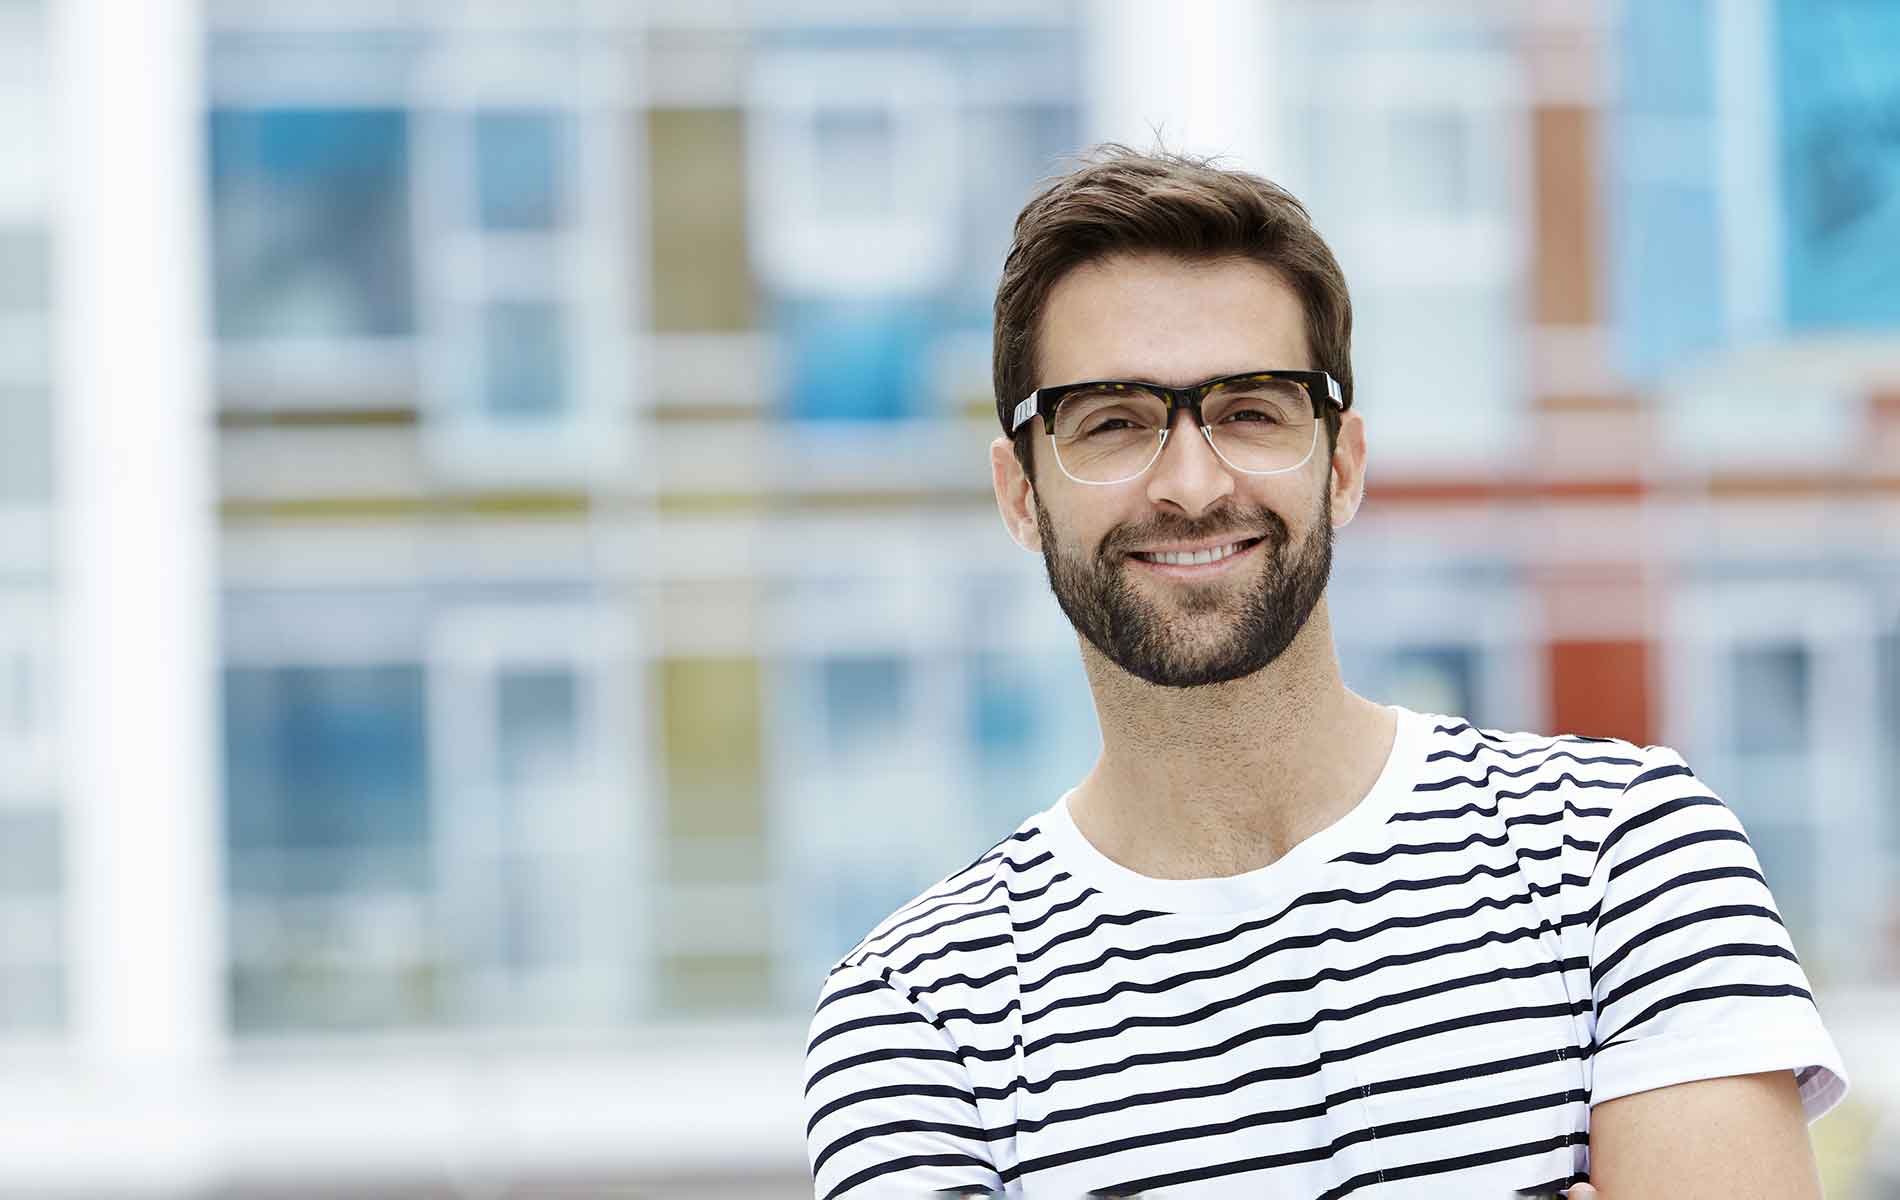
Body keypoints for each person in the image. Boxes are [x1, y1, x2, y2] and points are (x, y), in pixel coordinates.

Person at [802, 146, 1849, 1198]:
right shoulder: (916, 1015)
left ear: (1341, 463)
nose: (1189, 483)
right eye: (1111, 423)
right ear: (1021, 494)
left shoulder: (1618, 852)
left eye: (1249, 411)